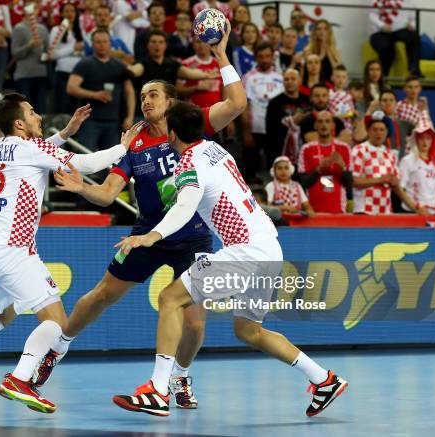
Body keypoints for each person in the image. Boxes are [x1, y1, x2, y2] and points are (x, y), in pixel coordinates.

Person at [35, 21, 247, 409]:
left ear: (170, 101)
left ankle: (180, 378)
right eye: (143, 95)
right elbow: (109, 193)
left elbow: (236, 104)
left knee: (196, 323)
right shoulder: (133, 145)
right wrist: (83, 187)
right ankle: (58, 347)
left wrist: (220, 56)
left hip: (193, 237)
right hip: (147, 234)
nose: (146, 100)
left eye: (154, 95)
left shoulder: (192, 126)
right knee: (101, 295)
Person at [111, 100, 347, 418]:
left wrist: (151, 236)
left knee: (169, 299)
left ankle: (157, 389)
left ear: (173, 133)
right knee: (248, 331)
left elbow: (184, 207)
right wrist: (222, 58)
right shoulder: (215, 149)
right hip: (269, 249)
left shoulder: (189, 163)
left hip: (244, 252)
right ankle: (323, 380)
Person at [0, 94, 137, 411]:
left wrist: (65, 133)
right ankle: (21, 378)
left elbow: (34, 151)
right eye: (32, 112)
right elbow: (88, 164)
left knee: (4, 313)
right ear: (19, 123)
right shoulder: (31, 148)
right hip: (14, 249)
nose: (38, 115)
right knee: (56, 319)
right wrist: (124, 147)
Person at [67, 29, 136, 150]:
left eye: (105, 41)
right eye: (98, 42)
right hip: (89, 121)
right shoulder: (85, 64)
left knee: (111, 161)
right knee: (86, 157)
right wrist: (95, 95)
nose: (102, 45)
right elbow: (71, 88)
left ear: (110, 44)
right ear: (92, 44)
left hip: (113, 121)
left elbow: (130, 92)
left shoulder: (119, 65)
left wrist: (130, 117)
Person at [351, 114, 424, 215]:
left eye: (382, 130)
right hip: (364, 211)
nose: (378, 133)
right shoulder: (359, 150)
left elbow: (397, 188)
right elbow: (353, 181)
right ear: (368, 131)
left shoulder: (390, 154)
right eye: (374, 129)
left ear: (387, 132)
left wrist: (416, 208)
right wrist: (380, 180)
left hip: (385, 213)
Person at [241, 42, 284, 179]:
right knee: (251, 169)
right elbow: (244, 105)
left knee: (275, 168)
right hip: (255, 129)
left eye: (267, 56)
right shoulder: (248, 77)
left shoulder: (281, 77)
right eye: (261, 56)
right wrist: (246, 132)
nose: (264, 60)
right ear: (256, 58)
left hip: (275, 130)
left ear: (273, 57)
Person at [298, 111, 352, 213]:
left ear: (333, 126)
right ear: (315, 126)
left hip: (339, 209)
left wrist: (343, 167)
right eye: (320, 121)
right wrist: (318, 169)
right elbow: (303, 182)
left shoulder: (344, 148)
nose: (324, 125)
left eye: (327, 121)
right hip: (313, 211)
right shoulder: (306, 149)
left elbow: (349, 183)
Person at [11, 0, 49, 117]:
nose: (32, 10)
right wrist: (29, 45)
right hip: (24, 75)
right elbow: (15, 53)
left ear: (38, 10)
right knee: (25, 112)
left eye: (35, 7)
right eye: (29, 7)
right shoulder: (19, 28)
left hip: (40, 74)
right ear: (24, 10)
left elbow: (46, 53)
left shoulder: (43, 29)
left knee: (40, 111)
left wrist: (47, 56)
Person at [265, 68, 310, 164]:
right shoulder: (274, 102)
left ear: (300, 81)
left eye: (293, 79)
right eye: (286, 79)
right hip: (281, 149)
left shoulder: (307, 100)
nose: (289, 82)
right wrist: (292, 121)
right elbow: (270, 129)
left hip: (304, 148)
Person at [399, 118, 435, 214]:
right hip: (413, 212)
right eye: (421, 138)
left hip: (433, 213)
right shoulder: (407, 161)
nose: (425, 142)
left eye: (428, 138)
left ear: (432, 141)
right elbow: (401, 189)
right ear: (416, 140)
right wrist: (416, 208)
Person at [48, 2, 84, 114]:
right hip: (62, 73)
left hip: (79, 75)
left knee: (76, 109)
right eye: (66, 11)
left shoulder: (81, 30)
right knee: (61, 108)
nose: (70, 14)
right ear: (61, 14)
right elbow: (52, 55)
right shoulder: (56, 30)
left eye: (72, 11)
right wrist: (73, 48)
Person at [369, 0, 419, 75]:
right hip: (380, 32)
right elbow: (372, 15)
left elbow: (413, 18)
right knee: (386, 49)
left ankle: (413, 69)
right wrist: (382, 25)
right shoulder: (377, 1)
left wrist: (412, 25)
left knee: (413, 36)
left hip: (400, 30)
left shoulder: (408, 2)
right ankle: (383, 77)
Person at [176, 37, 222, 109]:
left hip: (217, 111)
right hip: (194, 112)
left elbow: (225, 92)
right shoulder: (185, 64)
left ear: (211, 44)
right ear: (193, 45)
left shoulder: (220, 64)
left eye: (205, 41)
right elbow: (178, 90)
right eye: (198, 42)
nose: (202, 45)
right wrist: (196, 88)